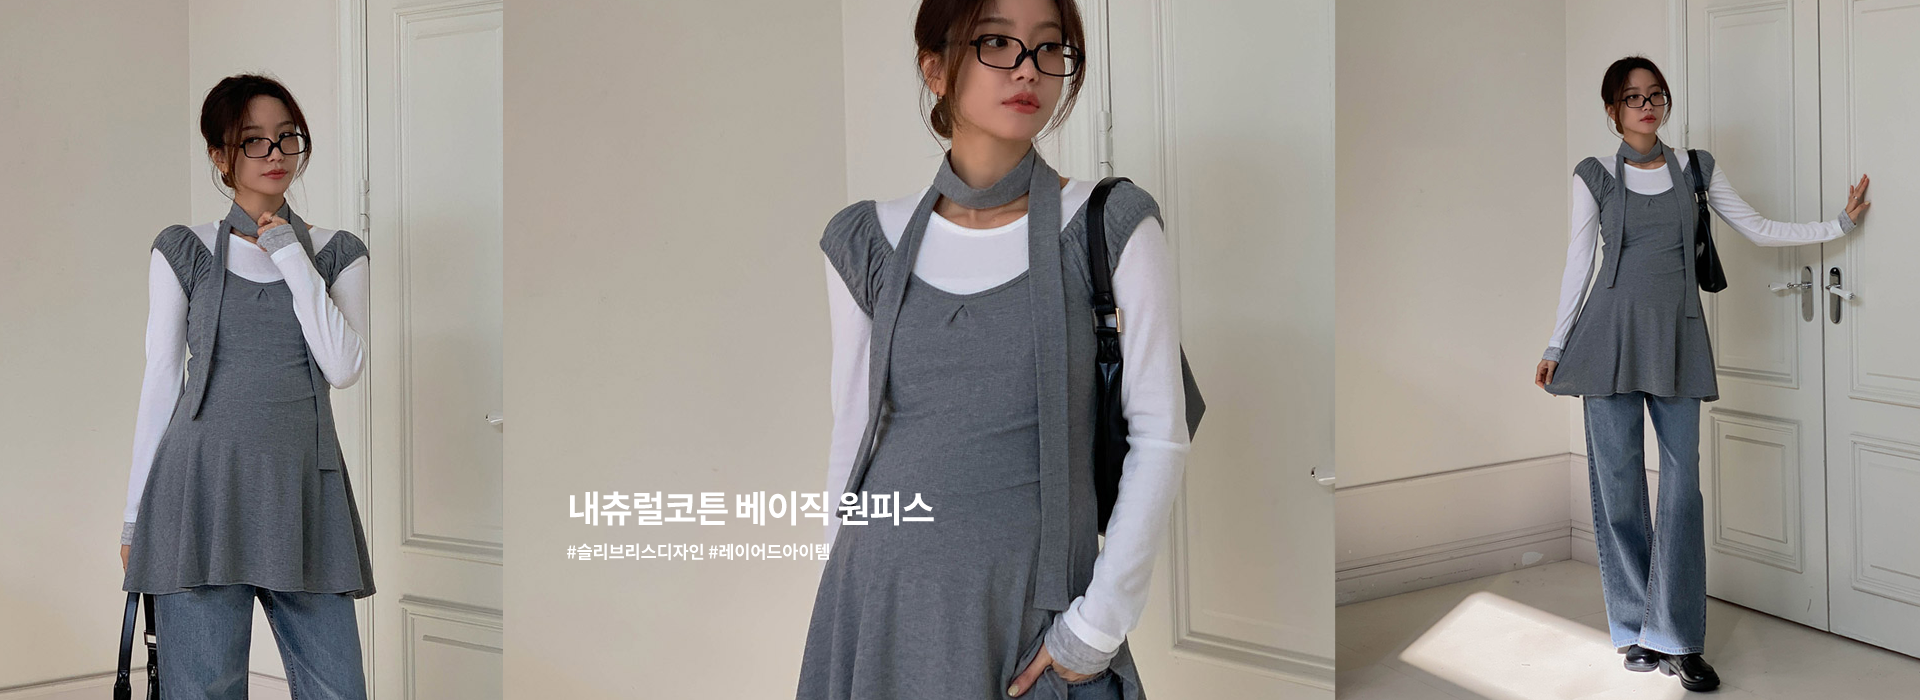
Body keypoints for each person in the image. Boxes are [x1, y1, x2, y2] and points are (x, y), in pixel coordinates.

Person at [795, 0, 1191, 698]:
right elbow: (854, 430)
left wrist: (1095, 629)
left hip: (1024, 615)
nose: (1028, 69)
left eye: (1049, 47)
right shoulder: (867, 239)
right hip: (876, 598)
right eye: (996, 42)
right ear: (934, 69)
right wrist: (845, 590)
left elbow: (1160, 433)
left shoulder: (1110, 225)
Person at [1534, 56, 1872, 693]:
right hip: (1607, 339)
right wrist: (1556, 343)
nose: (1647, 106)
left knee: (1682, 489)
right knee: (1618, 487)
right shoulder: (1593, 174)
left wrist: (1840, 224)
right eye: (1633, 97)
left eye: (1656, 95)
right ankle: (1635, 628)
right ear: (1612, 110)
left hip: (1679, 338)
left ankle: (1679, 638)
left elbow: (1757, 227)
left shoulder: (1694, 167)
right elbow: (1578, 265)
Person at [119, 73, 376, 700]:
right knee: (203, 690)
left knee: (338, 690)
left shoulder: (337, 253)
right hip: (198, 493)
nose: (276, 154)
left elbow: (343, 366)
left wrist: (288, 251)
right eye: (254, 140)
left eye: (287, 137)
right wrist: (133, 520)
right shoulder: (184, 249)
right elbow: (161, 381)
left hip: (306, 495)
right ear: (220, 155)